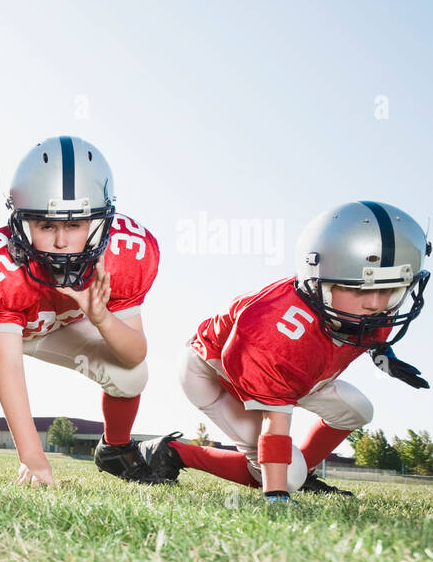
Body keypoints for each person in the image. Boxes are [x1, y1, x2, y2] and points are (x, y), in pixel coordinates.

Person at [0, 136, 166, 484]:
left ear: (99, 223)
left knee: (132, 376)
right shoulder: (0, 267)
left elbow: (134, 354)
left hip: (60, 325)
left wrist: (103, 319)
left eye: (74, 225)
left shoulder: (123, 256)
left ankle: (115, 449)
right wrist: (32, 456)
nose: (60, 241)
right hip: (0, 326)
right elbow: (10, 365)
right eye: (46, 225)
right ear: (22, 223)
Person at [141, 201, 428, 500]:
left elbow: (368, 328)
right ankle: (173, 453)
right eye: (361, 289)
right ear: (319, 282)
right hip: (212, 373)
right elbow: (275, 424)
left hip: (298, 371)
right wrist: (277, 493)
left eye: (392, 289)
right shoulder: (275, 333)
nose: (376, 305)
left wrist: (383, 354)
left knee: (357, 409)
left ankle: (304, 472)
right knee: (285, 476)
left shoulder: (361, 310)